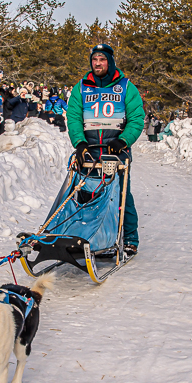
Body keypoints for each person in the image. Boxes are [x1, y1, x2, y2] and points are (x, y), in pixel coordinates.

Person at [66, 44, 144, 256]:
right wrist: (79, 143)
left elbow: (137, 119)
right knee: (84, 194)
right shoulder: (81, 88)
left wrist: (124, 140)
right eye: (94, 60)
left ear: (110, 61)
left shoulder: (126, 87)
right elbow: (73, 118)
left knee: (120, 195)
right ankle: (85, 236)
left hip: (116, 151)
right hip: (89, 151)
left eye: (102, 59)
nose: (97, 63)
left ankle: (129, 238)